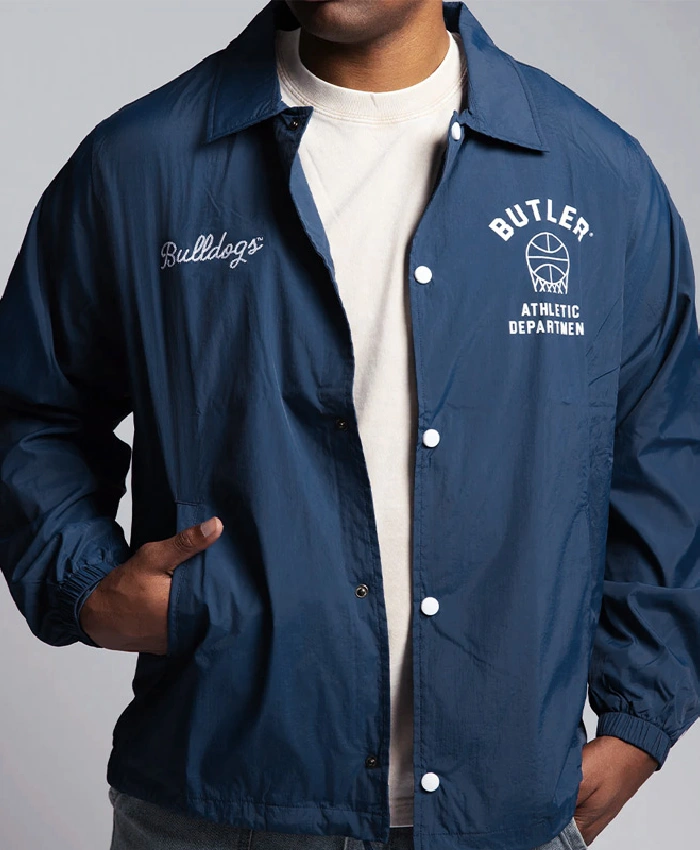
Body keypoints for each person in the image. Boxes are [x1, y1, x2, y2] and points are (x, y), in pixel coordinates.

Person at [1, 1, 699, 849]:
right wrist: (84, 584)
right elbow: (29, 408)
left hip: (506, 812)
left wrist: (639, 720)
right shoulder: (141, 164)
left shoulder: (598, 175)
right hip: (219, 801)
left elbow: (664, 454)